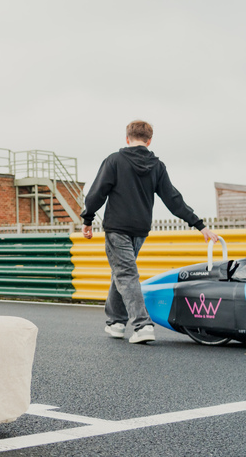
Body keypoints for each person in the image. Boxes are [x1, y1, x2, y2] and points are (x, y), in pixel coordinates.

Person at [81, 120, 219, 344]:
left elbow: (97, 193)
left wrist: (87, 219)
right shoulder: (157, 166)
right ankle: (116, 322)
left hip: (117, 228)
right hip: (140, 229)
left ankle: (142, 325)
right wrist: (199, 224)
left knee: (126, 274)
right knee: (122, 272)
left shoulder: (114, 160)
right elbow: (173, 199)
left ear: (127, 138)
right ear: (149, 140)